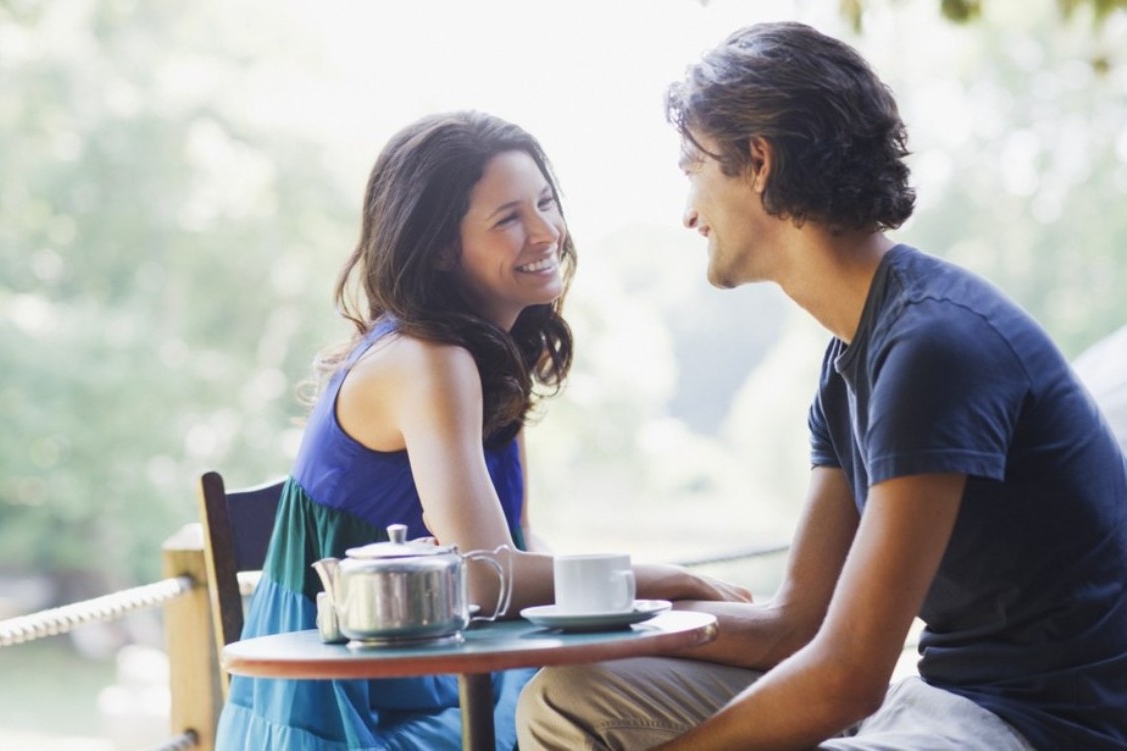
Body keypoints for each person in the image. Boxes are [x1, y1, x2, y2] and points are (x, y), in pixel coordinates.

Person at [517, 22, 1127, 751]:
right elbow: (796, 626)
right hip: (936, 702)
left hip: (1038, 726)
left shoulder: (933, 347)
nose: (688, 212)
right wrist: (621, 615)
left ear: (759, 163)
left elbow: (847, 676)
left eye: (693, 168)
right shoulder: (848, 363)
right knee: (570, 699)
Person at [215, 110, 742, 751]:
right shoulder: (429, 362)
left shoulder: (488, 360)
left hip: (450, 689)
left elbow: (513, 545)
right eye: (509, 219)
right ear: (440, 249)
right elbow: (489, 577)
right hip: (345, 720)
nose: (546, 232)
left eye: (545, 203)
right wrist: (666, 578)